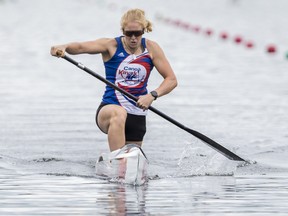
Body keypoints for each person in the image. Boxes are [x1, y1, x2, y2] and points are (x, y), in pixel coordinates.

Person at [50, 8, 177, 152]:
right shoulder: (111, 45)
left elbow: (171, 80)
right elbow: (80, 47)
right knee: (119, 113)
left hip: (137, 112)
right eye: (129, 33)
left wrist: (152, 96)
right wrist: (64, 46)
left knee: (132, 157)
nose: (133, 38)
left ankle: (122, 165)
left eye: (138, 33)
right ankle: (117, 160)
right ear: (123, 31)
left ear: (144, 31)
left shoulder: (152, 48)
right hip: (110, 108)